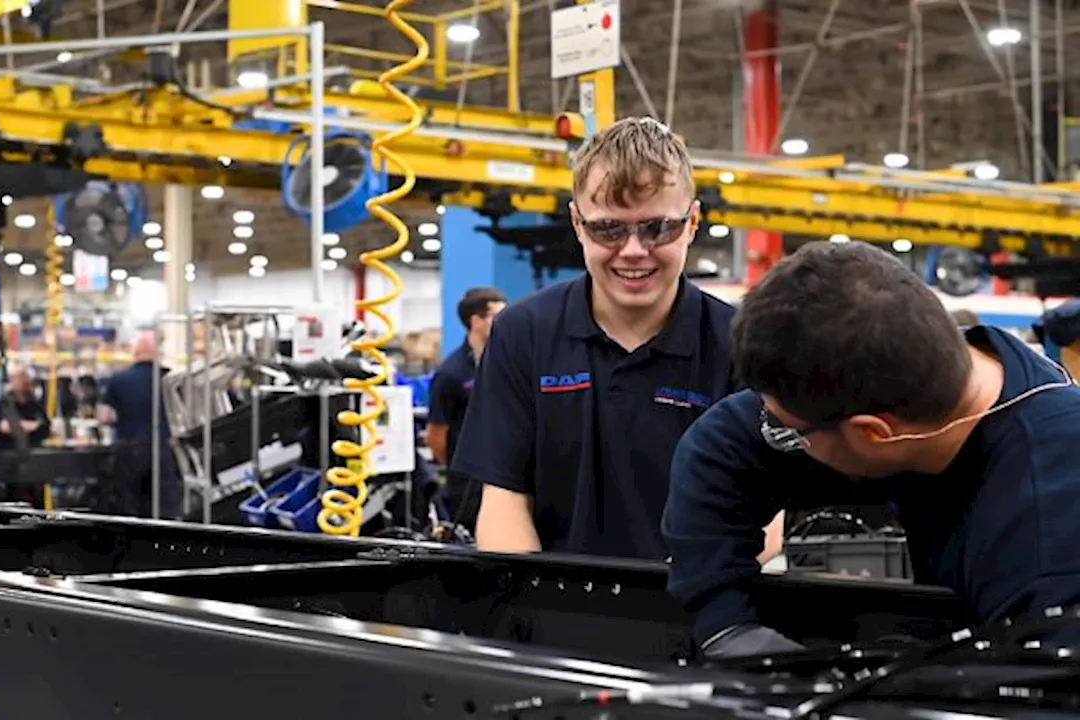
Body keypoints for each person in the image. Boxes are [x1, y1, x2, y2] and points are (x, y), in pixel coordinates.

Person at [663, 241, 1080, 658]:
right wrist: (727, 626)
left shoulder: (1049, 550)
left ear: (874, 434)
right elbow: (721, 450)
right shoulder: (908, 379)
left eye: (786, 432)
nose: (769, 430)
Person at [452, 117, 783, 561]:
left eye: (657, 229)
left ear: (692, 222)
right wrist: (538, 603)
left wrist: (675, 599)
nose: (632, 250)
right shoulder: (522, 333)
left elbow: (763, 515)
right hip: (553, 612)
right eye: (608, 229)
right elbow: (504, 502)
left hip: (695, 610)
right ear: (577, 222)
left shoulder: (742, 343)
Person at [425, 286, 506, 528]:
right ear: (476, 321)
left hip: (507, 473)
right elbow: (436, 435)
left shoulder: (509, 362)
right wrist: (460, 466)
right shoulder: (451, 374)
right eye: (499, 316)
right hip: (468, 485)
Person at [96, 329, 182, 519]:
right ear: (157, 351)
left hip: (130, 451)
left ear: (135, 351)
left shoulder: (117, 380)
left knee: (131, 507)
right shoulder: (170, 379)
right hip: (164, 451)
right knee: (164, 510)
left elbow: (103, 417)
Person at [0, 363, 50, 450]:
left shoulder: (35, 406)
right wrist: (33, 426)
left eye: (26, 377)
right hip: (6, 458)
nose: (25, 381)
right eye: (20, 378)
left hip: (33, 457)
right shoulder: (1, 407)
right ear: (11, 381)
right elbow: (7, 427)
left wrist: (26, 426)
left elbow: (45, 428)